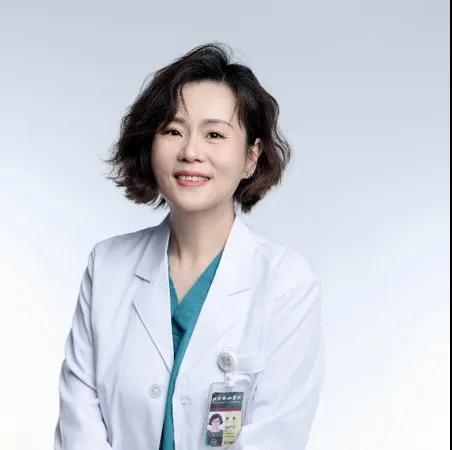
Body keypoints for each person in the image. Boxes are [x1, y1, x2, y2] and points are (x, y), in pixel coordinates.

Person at [54, 41, 325, 450]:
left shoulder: (287, 284)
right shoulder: (107, 266)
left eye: (214, 134)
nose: (191, 152)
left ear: (251, 157)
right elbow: (80, 429)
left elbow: (275, 436)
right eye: (173, 131)